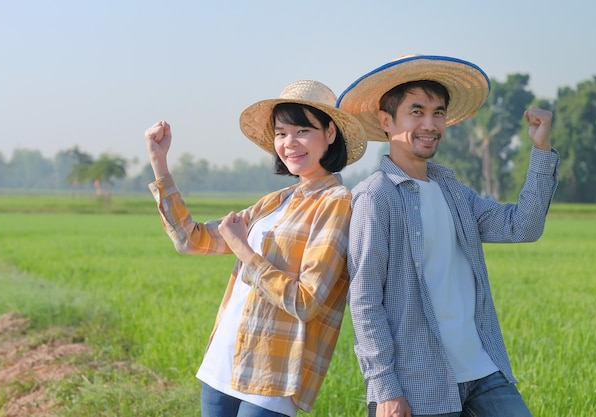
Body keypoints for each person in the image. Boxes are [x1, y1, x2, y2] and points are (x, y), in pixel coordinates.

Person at [337, 55, 560, 416]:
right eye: (417, 111)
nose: (430, 124)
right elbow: (364, 300)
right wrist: (385, 390)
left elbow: (523, 226)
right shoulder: (376, 197)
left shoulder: (453, 190)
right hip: (420, 381)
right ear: (386, 120)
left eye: (438, 113)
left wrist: (541, 149)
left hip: (484, 369)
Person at [144, 79, 367, 417]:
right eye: (281, 133)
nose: (289, 143)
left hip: (273, 373)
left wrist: (244, 250)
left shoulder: (336, 203)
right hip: (224, 357)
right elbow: (189, 239)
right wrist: (159, 162)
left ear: (331, 133)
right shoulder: (275, 201)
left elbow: (306, 301)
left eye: (303, 130)